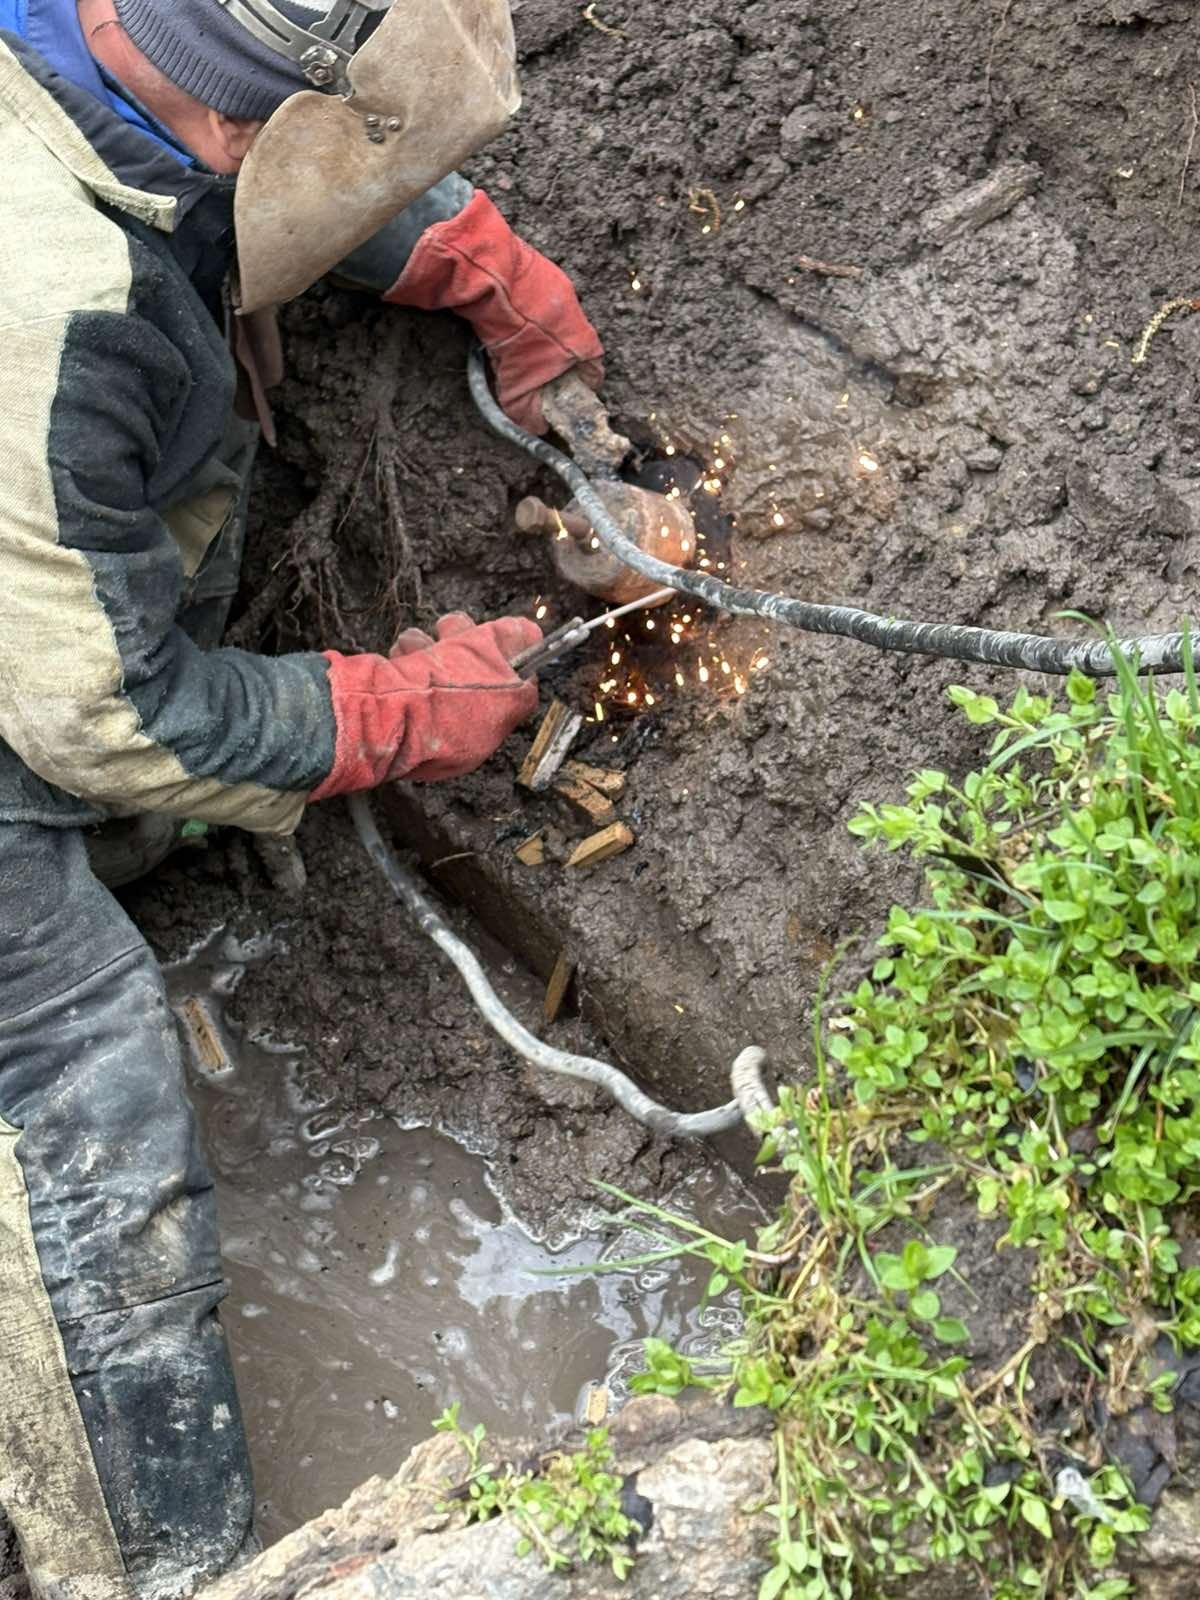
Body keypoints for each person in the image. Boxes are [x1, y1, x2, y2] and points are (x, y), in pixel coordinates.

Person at [0, 2, 603, 1595]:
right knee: (76, 1051)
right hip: (51, 687)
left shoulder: (94, 65)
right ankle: (155, 1560)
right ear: (232, 126)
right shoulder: (51, 301)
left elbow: (243, 164)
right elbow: (104, 717)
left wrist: (469, 253)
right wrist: (395, 710)